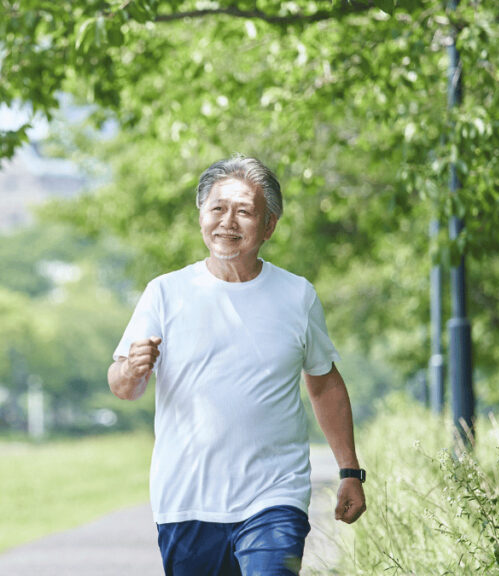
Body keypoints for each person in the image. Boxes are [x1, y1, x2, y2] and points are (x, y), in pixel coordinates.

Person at [108, 155, 366, 576]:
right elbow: (123, 386)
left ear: (269, 226)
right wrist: (132, 371)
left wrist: (350, 470)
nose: (228, 222)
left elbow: (324, 383)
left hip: (274, 496)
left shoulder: (297, 295)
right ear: (201, 215)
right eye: (217, 208)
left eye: (244, 211)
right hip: (187, 498)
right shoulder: (166, 293)